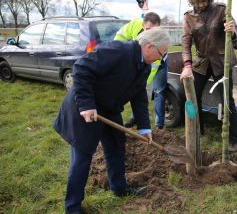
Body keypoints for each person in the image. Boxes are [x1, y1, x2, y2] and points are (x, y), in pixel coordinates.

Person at [53, 27, 171, 214]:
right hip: (85, 106)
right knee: (82, 156)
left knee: (116, 146)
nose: (160, 59)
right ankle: (72, 207)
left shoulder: (144, 66)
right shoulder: (118, 51)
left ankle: (119, 188)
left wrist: (144, 128)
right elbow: (81, 67)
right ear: (149, 46)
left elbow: (139, 95)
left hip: (109, 108)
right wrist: (86, 105)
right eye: (161, 54)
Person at [179, 0, 237, 152]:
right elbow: (185, 43)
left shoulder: (221, 9)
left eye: (204, 1)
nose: (202, 4)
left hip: (221, 61)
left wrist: (232, 31)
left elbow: (236, 33)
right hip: (202, 63)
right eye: (198, 2)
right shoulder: (188, 17)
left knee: (227, 100)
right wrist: (187, 65)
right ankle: (199, 130)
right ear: (192, 1)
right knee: (192, 96)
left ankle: (233, 139)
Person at [114, 11, 167, 130]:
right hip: (140, 58)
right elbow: (120, 36)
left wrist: (139, 84)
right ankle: (135, 118)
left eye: (154, 31)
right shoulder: (134, 24)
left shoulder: (159, 43)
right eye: (148, 29)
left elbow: (152, 68)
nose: (150, 34)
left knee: (158, 90)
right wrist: (118, 52)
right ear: (143, 25)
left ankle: (158, 125)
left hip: (158, 62)